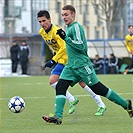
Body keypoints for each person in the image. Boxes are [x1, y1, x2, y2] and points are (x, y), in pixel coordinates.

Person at [42, 5, 133, 125]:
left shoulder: (77, 27)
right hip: (70, 66)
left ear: (73, 14)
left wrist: (66, 38)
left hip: (82, 66)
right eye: (63, 15)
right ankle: (57, 116)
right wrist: (65, 38)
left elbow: (81, 47)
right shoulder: (68, 28)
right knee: (60, 87)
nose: (64, 17)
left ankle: (126, 105)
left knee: (99, 89)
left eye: (66, 14)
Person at [37, 10, 106, 115]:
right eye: (40, 22)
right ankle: (72, 99)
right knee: (52, 81)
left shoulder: (57, 31)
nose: (42, 24)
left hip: (70, 59)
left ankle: (101, 104)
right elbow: (55, 48)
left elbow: (64, 48)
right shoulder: (42, 32)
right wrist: (55, 58)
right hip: (62, 60)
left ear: (49, 19)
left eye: (44, 21)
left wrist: (53, 60)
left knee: (83, 83)